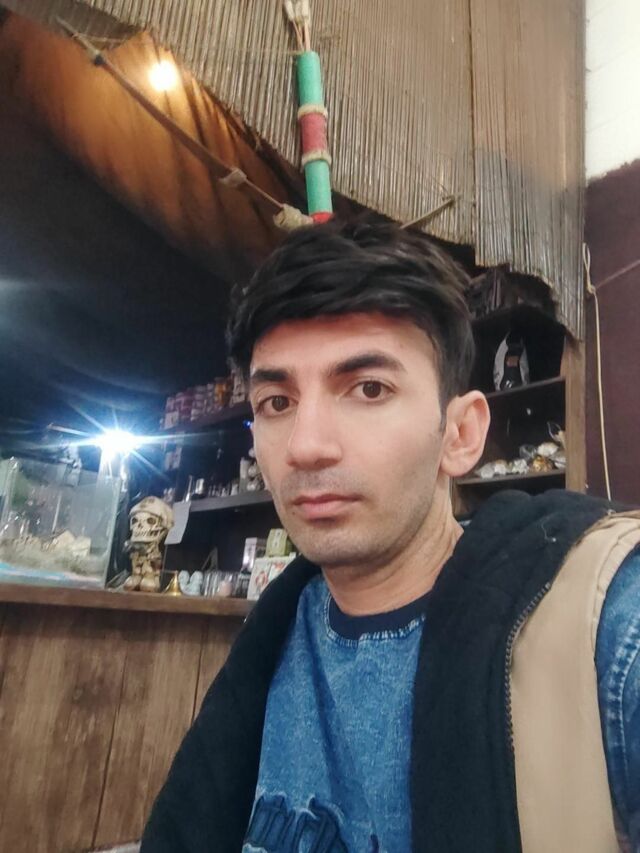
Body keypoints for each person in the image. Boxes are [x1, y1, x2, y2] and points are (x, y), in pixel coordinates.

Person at [141, 220, 640, 853]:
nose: (306, 446)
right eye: (277, 402)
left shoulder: (604, 629)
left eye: (369, 388)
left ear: (461, 434)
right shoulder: (271, 640)